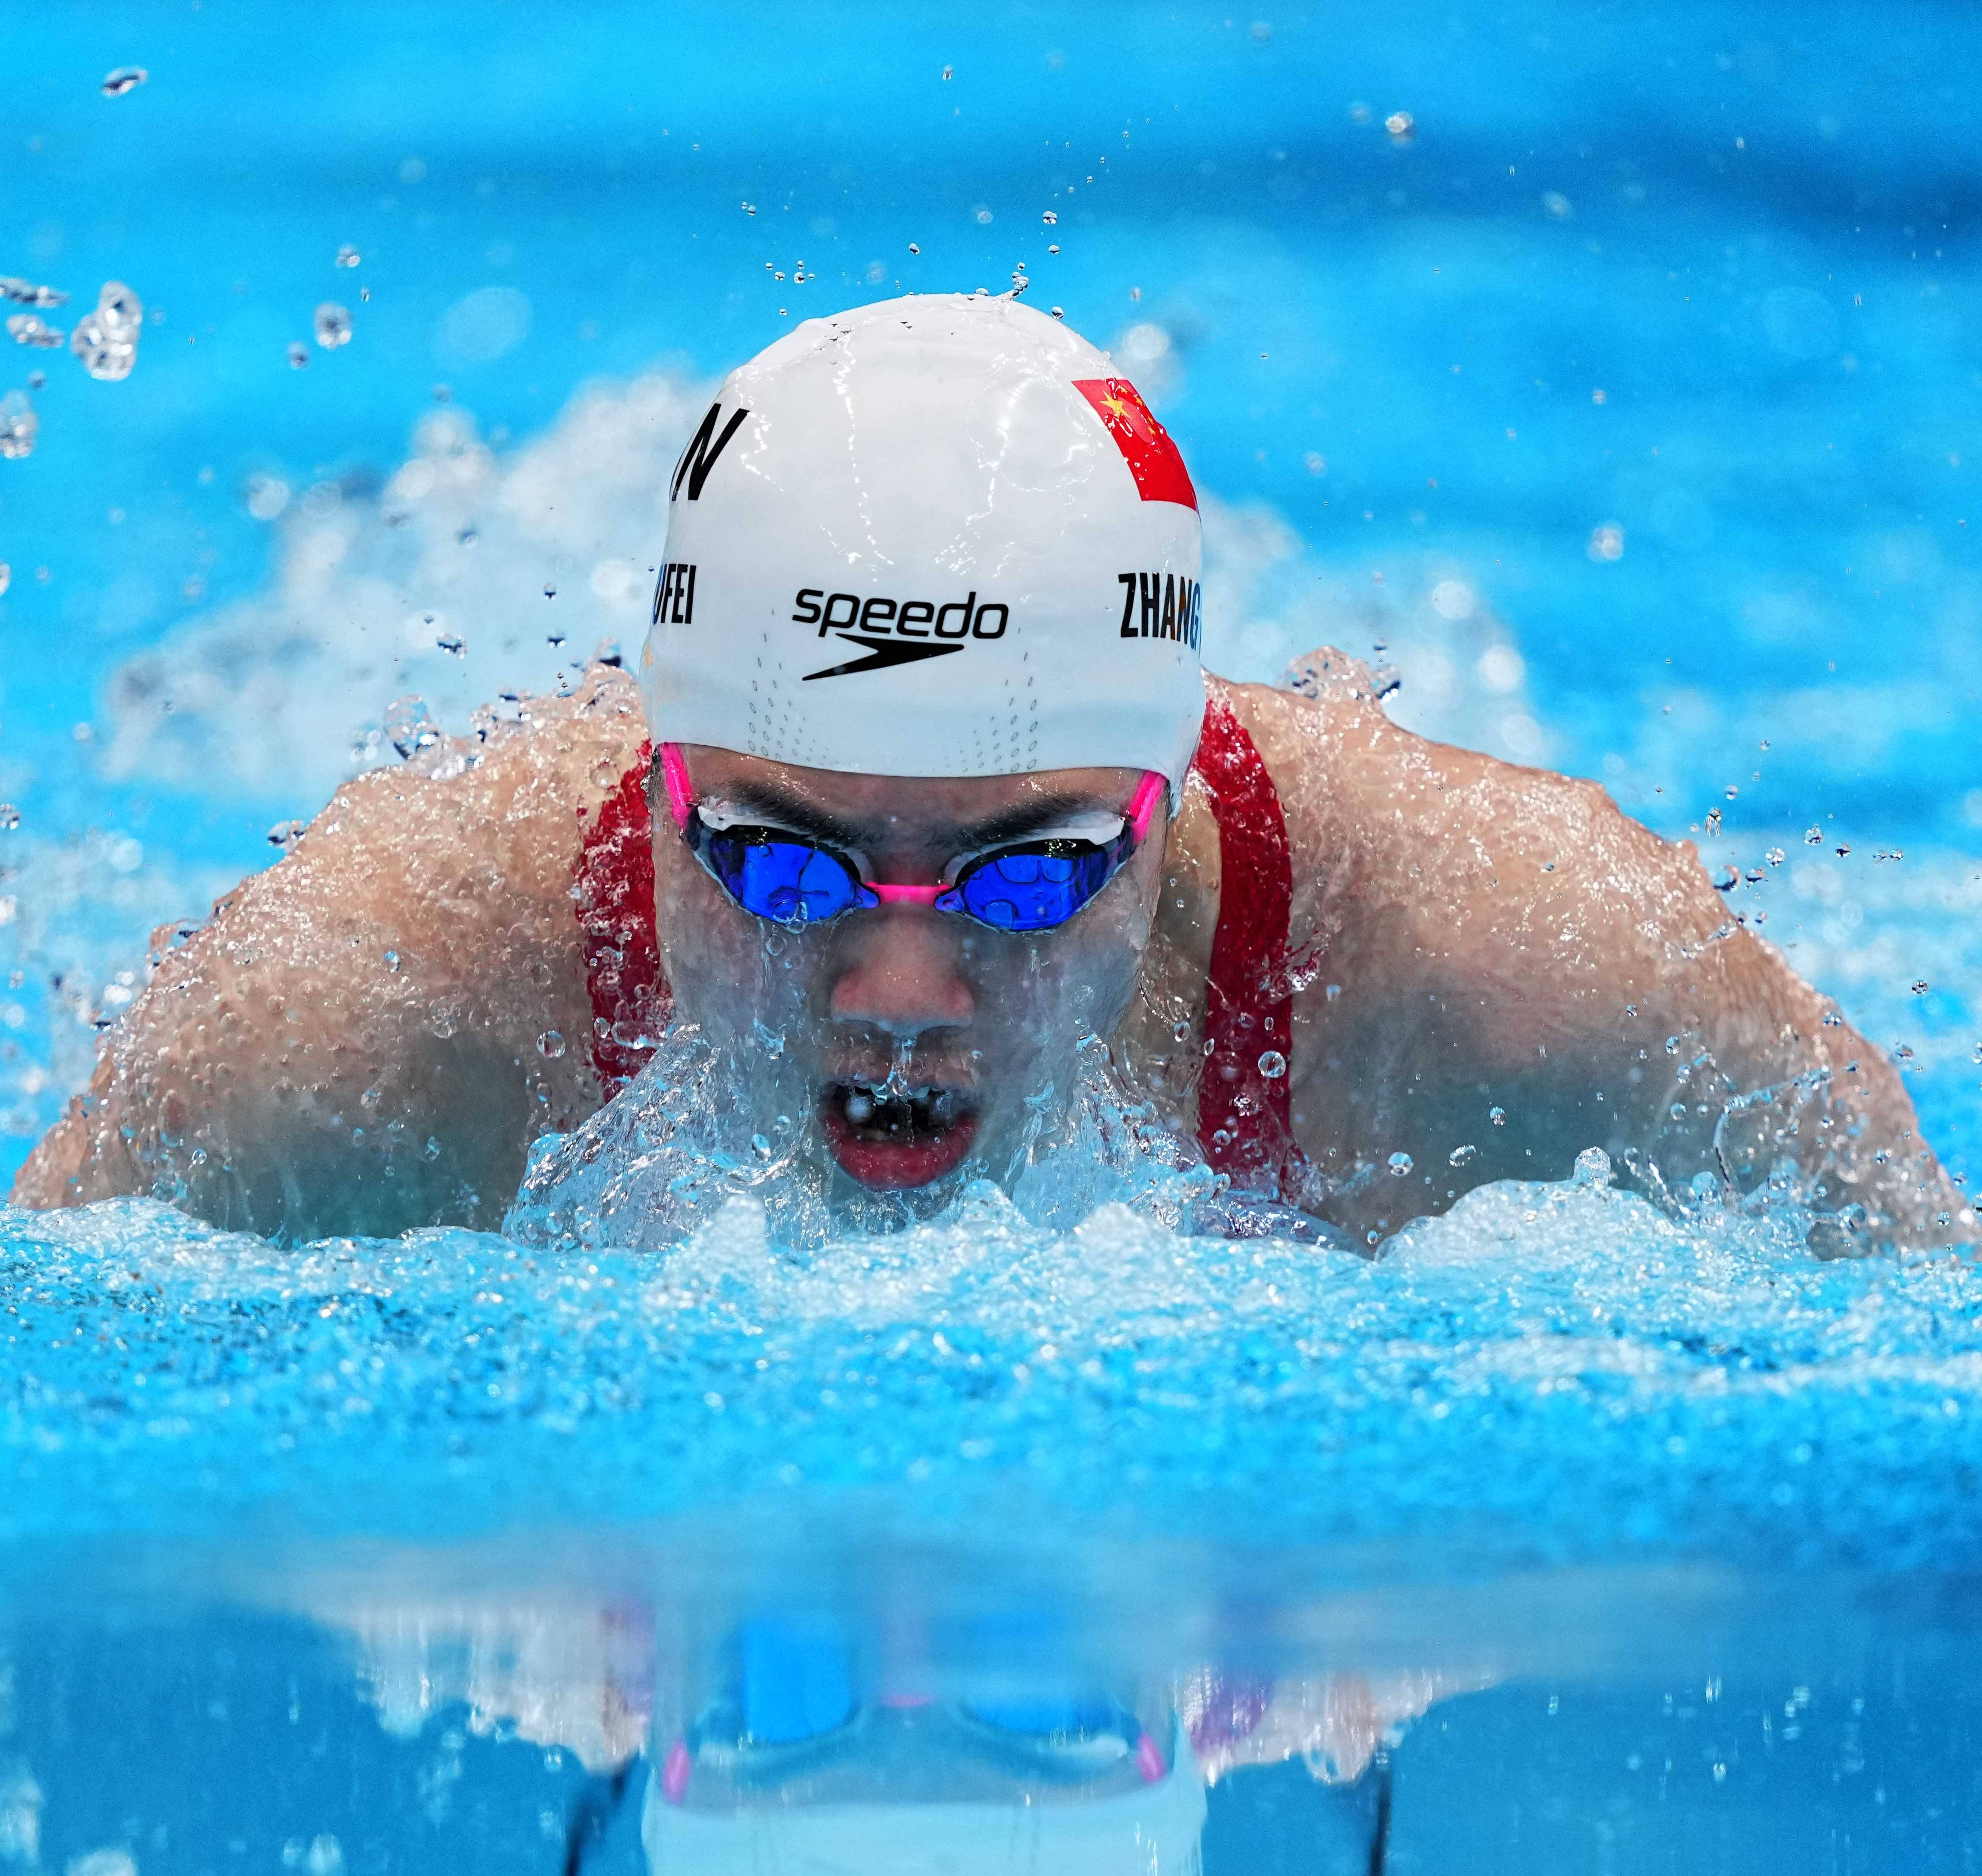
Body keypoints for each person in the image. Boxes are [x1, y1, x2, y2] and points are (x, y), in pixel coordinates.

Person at [10, 295, 1964, 1251]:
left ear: (1168, 800)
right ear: (662, 780)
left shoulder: (1525, 982)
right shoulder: (354, 1022)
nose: (898, 995)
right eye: (782, 865)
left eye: (1025, 879)